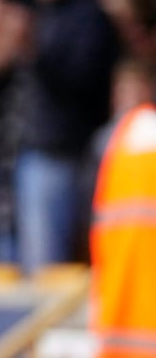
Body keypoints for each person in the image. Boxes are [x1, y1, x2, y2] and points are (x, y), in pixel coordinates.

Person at [89, 60, 156, 357]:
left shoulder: (129, 136)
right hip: (121, 296)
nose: (124, 95)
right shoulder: (114, 139)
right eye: (121, 88)